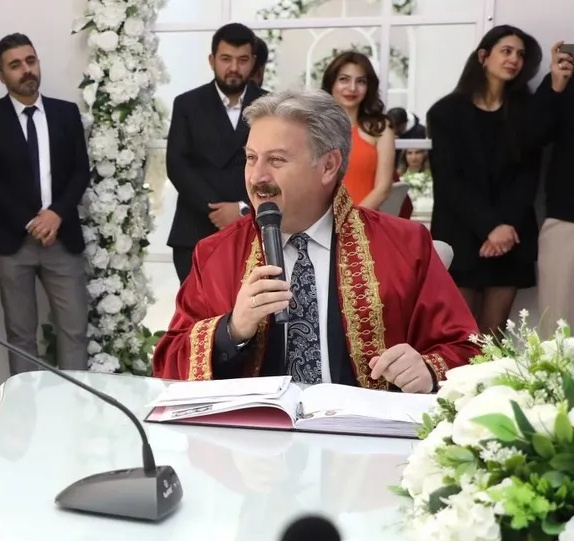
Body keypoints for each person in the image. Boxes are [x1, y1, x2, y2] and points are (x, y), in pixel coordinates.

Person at [152, 89, 479, 392]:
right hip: (253, 433)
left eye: (276, 160)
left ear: (328, 166)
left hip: (364, 434)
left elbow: (469, 349)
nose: (257, 176)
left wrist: (428, 369)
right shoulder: (216, 253)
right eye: (251, 158)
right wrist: (231, 330)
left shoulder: (405, 245)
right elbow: (168, 364)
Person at [0, 33, 91, 374]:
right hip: (13, 241)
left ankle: (74, 403)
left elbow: (80, 172)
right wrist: (31, 221)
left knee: (74, 331)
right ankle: (25, 407)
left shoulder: (66, 113)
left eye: (30, 61)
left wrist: (56, 215)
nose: (26, 70)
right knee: (20, 334)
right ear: (1, 76)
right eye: (15, 65)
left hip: (62, 237)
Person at [428, 26, 546, 337]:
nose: (514, 59)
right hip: (461, 234)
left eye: (520, 54)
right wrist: (490, 226)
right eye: (506, 51)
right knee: (460, 338)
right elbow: (449, 180)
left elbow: (528, 177)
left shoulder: (528, 111)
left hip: (510, 237)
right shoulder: (445, 112)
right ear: (483, 56)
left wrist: (503, 228)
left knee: (493, 340)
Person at [165, 23, 268, 282]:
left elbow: (278, 165)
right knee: (197, 307)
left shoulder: (271, 105)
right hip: (194, 231)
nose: (233, 67)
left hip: (255, 231)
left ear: (253, 62)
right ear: (212, 60)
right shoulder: (187, 104)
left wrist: (242, 209)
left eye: (242, 60)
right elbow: (177, 164)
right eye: (226, 59)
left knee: (254, 307)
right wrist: (216, 209)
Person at [532, 41, 574, 337]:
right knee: (557, 332)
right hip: (566, 217)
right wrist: (556, 88)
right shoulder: (564, 78)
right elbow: (530, 140)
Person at [321, 51, 396, 211]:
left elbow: (383, 188)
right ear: (331, 83)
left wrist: (350, 220)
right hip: (317, 221)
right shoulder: (314, 127)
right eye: (344, 79)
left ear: (368, 87)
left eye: (360, 81)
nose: (352, 88)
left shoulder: (381, 127)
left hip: (363, 220)